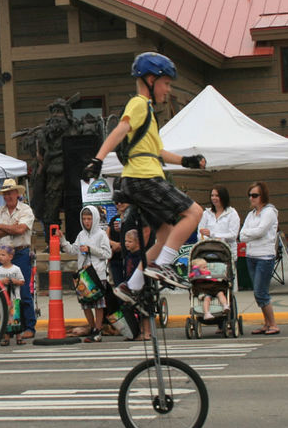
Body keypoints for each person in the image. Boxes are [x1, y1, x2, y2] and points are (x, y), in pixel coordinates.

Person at [84, 52, 206, 305]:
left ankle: (132, 285)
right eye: (167, 83)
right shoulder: (139, 104)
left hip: (140, 178)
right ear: (151, 79)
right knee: (194, 213)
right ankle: (161, 266)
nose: (168, 89)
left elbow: (157, 151)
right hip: (144, 177)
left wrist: (186, 161)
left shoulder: (148, 112)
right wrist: (98, 160)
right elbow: (121, 129)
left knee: (164, 237)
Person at [0, 178, 37, 339]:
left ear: (17, 193)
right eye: (5, 194)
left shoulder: (26, 210)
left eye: (10, 193)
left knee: (22, 291)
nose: (8, 196)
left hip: (20, 253)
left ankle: (29, 326)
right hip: (2, 254)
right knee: (3, 292)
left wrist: (2, 227)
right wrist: (11, 228)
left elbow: (21, 230)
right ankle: (7, 327)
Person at [59, 206, 111, 342]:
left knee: (99, 304)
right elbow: (72, 250)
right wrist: (63, 240)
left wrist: (91, 249)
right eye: (84, 218)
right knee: (85, 304)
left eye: (89, 218)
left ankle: (98, 330)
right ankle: (92, 328)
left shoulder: (101, 234)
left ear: (95, 219)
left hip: (98, 274)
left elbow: (107, 253)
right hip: (84, 275)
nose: (87, 221)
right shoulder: (81, 235)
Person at [239, 181, 280, 335]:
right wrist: (250, 233)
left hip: (265, 256)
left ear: (262, 195)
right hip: (251, 256)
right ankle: (267, 323)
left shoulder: (269, 212)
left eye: (255, 195)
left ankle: (273, 324)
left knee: (261, 291)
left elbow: (261, 231)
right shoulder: (251, 214)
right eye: (250, 195)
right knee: (257, 292)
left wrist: (249, 233)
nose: (251, 198)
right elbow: (242, 234)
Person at [198, 185, 240, 261]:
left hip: (227, 255)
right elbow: (200, 234)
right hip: (207, 254)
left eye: (217, 195)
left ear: (223, 197)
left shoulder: (232, 213)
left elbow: (233, 235)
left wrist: (212, 234)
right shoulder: (206, 213)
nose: (214, 198)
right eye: (212, 195)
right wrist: (211, 242)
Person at [0, 245, 26, 346]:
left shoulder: (16, 269)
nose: (0, 257)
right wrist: (2, 281)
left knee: (16, 318)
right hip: (3, 299)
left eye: (3, 255)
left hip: (14, 298)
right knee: (5, 318)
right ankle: (6, 337)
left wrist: (14, 281)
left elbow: (22, 281)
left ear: (10, 257)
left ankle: (19, 337)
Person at [107, 200, 129, 285]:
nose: (119, 204)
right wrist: (114, 244)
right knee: (118, 286)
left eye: (122, 201)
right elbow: (106, 237)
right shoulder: (114, 219)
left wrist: (122, 244)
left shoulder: (131, 218)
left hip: (128, 256)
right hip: (115, 257)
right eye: (117, 202)